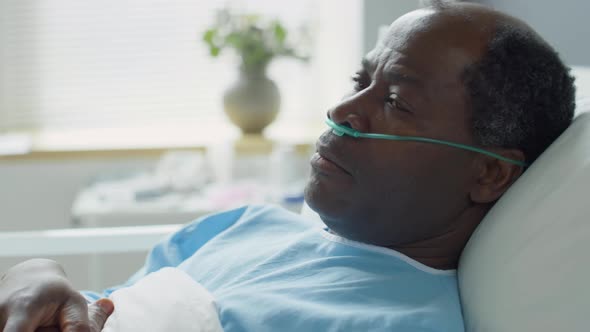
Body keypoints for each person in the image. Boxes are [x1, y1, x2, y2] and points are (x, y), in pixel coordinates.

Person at [0, 1, 576, 331]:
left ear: (489, 174)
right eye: (360, 82)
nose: (342, 111)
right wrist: (35, 276)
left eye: (396, 101)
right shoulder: (247, 226)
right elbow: (100, 304)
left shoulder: (396, 323)